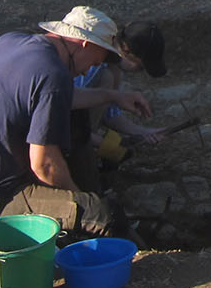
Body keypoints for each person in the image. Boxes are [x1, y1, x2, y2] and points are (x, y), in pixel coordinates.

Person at [0, 7, 152, 235]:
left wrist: (113, 97)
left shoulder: (10, 41)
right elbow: (44, 165)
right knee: (102, 214)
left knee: (75, 118)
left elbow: (59, 97)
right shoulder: (53, 75)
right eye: (93, 62)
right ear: (85, 45)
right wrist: (78, 198)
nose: (86, 71)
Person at [69, 21, 168, 191]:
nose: (140, 71)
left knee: (110, 76)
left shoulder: (113, 69)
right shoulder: (92, 67)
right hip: (60, 134)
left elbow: (109, 114)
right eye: (140, 66)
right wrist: (103, 145)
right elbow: (61, 119)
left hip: (78, 128)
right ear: (126, 49)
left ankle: (87, 149)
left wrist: (143, 132)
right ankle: (78, 159)